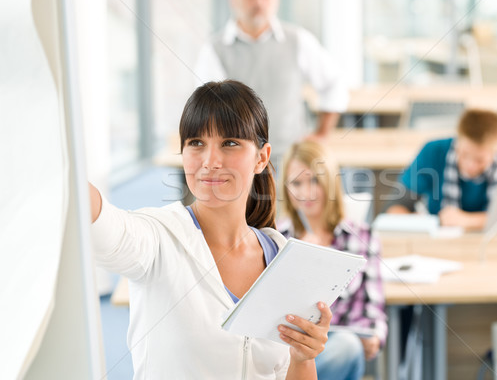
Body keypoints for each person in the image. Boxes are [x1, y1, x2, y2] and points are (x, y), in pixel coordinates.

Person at [88, 80, 331, 379]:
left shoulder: (282, 257)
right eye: (196, 143)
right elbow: (104, 224)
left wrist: (304, 357)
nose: (210, 161)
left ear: (262, 157)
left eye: (229, 143)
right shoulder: (158, 238)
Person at [194, 0, 348, 167]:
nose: (258, 2)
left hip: (292, 161)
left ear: (276, 0)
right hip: (238, 163)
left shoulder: (298, 40)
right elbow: (207, 110)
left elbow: (334, 83)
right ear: (233, 0)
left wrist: (322, 134)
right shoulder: (214, 50)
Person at [277, 140, 388, 380]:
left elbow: (373, 306)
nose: (306, 192)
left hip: (335, 344)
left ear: (329, 181)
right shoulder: (276, 238)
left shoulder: (362, 237)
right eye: (297, 183)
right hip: (285, 344)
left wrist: (374, 336)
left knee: (347, 347)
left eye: (314, 181)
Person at [386, 109, 497, 231]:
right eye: (464, 154)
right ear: (457, 140)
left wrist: (467, 220)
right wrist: (412, 221)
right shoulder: (433, 151)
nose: (470, 165)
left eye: (480, 160)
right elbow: (396, 205)